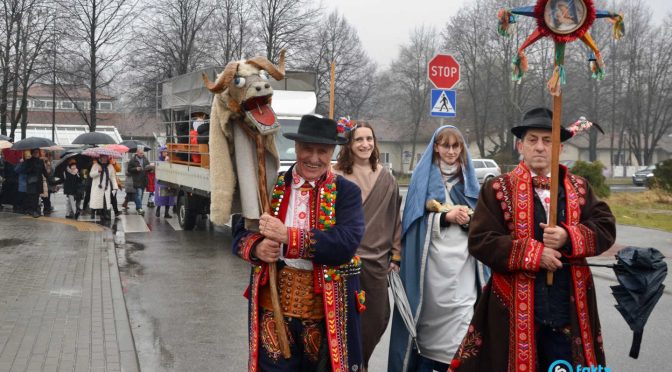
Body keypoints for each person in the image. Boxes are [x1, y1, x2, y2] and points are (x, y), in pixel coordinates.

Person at [449, 108, 616, 371]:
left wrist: (568, 237)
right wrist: (533, 254)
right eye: (532, 140)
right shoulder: (496, 189)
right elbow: (480, 240)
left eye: (547, 141)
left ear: (559, 147)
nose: (539, 147)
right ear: (520, 145)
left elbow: (605, 228)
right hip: (512, 312)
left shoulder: (580, 188)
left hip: (568, 310)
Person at [232, 114, 365, 371]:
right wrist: (257, 248)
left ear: (332, 152)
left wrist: (288, 237)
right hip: (274, 304)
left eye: (322, 151)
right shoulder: (271, 184)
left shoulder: (347, 192)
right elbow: (239, 233)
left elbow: (346, 244)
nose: (314, 158)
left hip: (324, 312)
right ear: (296, 147)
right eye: (307, 149)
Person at [388, 126, 488, 372]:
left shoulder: (470, 181)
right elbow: (413, 223)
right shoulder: (422, 180)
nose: (451, 151)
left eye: (456, 146)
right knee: (426, 324)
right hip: (430, 268)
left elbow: (485, 222)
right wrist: (445, 218)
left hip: (464, 266)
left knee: (464, 319)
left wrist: (470, 219)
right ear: (436, 147)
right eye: (446, 146)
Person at [333, 120, 402, 369]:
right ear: (349, 145)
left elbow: (394, 219)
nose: (365, 144)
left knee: (377, 318)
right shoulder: (336, 175)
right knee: (344, 321)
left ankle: (360, 362)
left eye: (369, 139)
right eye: (359, 139)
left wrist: (396, 255)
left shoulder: (386, 177)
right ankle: (350, 365)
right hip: (342, 260)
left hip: (376, 262)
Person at [16, 149, 49, 218]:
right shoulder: (28, 161)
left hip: (38, 182)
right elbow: (25, 171)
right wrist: (31, 168)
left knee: (36, 197)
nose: (36, 154)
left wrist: (49, 179)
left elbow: (44, 171)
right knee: (32, 197)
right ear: (32, 153)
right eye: (35, 152)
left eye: (37, 152)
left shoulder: (40, 161)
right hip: (31, 182)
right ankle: (33, 210)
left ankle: (34, 210)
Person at [89, 155, 118, 221]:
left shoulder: (110, 166)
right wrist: (98, 171)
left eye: (106, 157)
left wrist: (115, 187)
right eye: (104, 157)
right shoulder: (96, 165)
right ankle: (93, 212)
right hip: (97, 187)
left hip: (106, 187)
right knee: (96, 201)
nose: (105, 159)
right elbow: (91, 175)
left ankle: (104, 214)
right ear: (101, 158)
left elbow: (113, 177)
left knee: (105, 200)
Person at [127, 148, 151, 216]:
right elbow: (129, 169)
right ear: (137, 153)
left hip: (144, 179)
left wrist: (150, 168)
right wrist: (136, 169)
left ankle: (138, 207)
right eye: (141, 153)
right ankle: (140, 208)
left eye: (143, 153)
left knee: (141, 195)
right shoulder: (133, 160)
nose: (142, 154)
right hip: (137, 179)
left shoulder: (145, 159)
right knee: (139, 194)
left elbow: (148, 167)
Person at [154, 146, 175, 219]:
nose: (166, 153)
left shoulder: (169, 159)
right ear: (161, 153)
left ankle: (166, 212)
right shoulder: (159, 160)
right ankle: (158, 210)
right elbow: (159, 168)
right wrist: (165, 162)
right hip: (160, 181)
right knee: (160, 196)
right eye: (164, 152)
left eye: (166, 152)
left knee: (168, 196)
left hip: (168, 180)